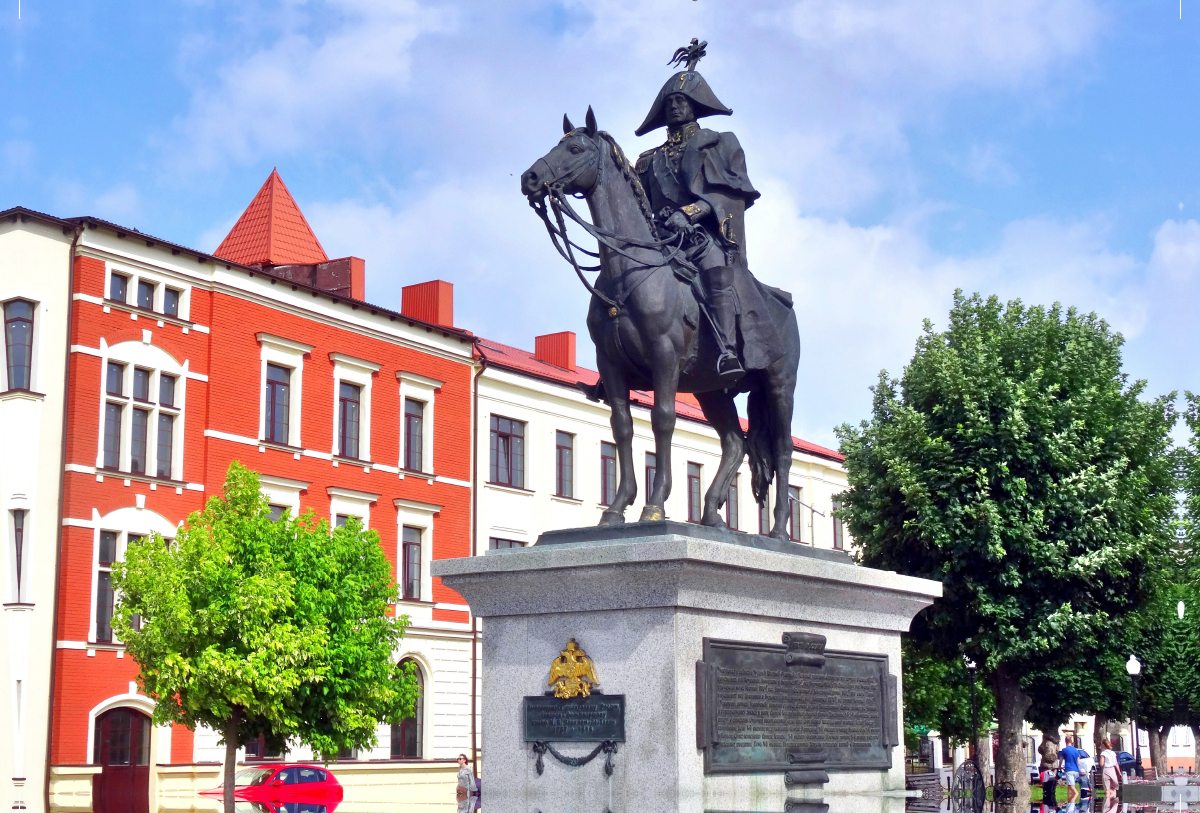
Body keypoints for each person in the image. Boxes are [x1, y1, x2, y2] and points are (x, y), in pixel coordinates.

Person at [634, 41, 785, 384]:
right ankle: (620, 357)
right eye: (670, 102)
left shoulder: (720, 144)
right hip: (661, 239)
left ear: (695, 106)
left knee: (716, 271)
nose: (675, 107)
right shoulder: (649, 159)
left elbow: (730, 192)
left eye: (681, 101)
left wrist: (691, 211)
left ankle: (727, 350)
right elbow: (639, 202)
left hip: (701, 235)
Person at [1060, 734, 1083, 804]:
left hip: (1069, 770)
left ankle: (1077, 795)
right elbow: (1078, 762)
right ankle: (1070, 800)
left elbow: (1060, 760)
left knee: (1071, 786)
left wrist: (1059, 767)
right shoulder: (1076, 750)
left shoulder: (1064, 750)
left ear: (1065, 741)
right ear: (1071, 741)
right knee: (1070, 786)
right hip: (1076, 770)